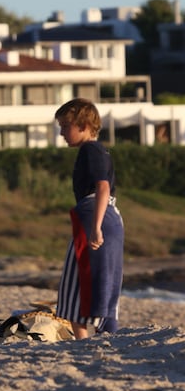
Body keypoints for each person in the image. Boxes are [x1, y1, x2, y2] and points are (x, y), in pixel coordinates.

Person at [54, 98, 124, 339]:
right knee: (104, 285)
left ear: (83, 125)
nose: (62, 132)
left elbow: (102, 186)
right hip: (106, 216)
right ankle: (105, 341)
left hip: (96, 216)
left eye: (65, 126)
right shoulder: (98, 150)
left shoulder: (91, 150)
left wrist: (95, 227)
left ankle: (85, 347)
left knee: (76, 289)